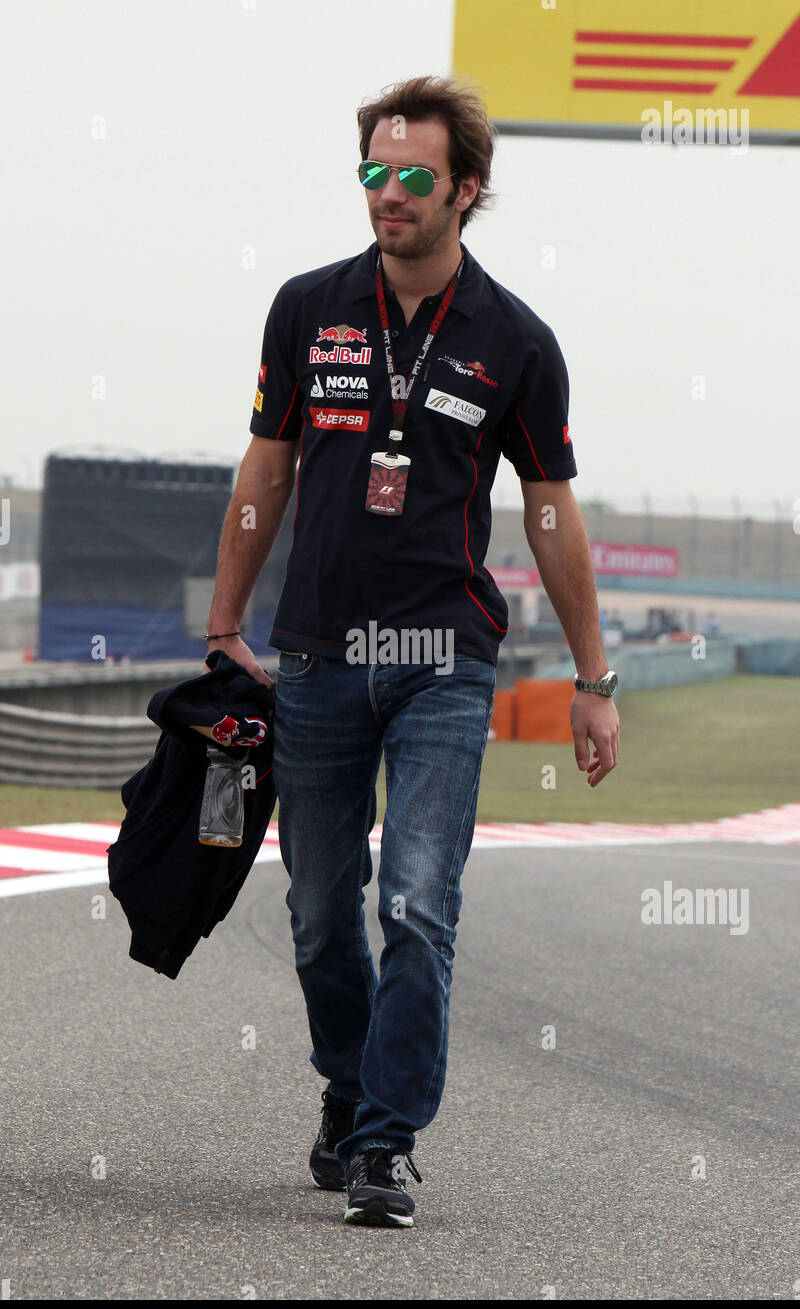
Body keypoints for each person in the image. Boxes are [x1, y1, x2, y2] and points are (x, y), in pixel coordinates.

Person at [203, 74, 620, 1228]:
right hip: (316, 657)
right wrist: (224, 619)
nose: (387, 195)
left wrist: (591, 683)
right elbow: (265, 471)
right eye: (372, 174)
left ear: (465, 191)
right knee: (320, 912)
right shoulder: (304, 309)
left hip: (445, 655)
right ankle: (347, 1090)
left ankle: (385, 1142)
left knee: (420, 902)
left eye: (412, 178)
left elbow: (549, 513)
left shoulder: (516, 340)